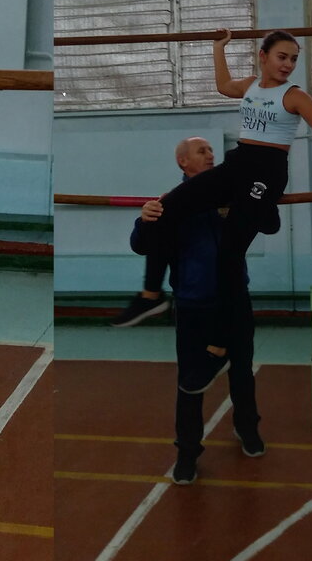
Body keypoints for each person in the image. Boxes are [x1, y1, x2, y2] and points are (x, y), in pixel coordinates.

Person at [118, 30, 312, 393]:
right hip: (237, 164)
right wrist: (218, 48)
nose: (288, 64)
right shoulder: (250, 86)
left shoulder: (294, 96)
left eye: (293, 59)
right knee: (168, 206)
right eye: (282, 56)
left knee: (229, 255)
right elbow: (223, 86)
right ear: (263, 56)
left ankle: (218, 348)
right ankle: (150, 296)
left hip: (266, 172)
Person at [129, 136, 264, 485]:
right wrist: (144, 221)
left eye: (211, 151)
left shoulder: (232, 194)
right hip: (194, 306)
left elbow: (263, 218)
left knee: (242, 370)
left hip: (235, 301)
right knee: (190, 381)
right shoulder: (170, 202)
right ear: (183, 162)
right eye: (201, 151)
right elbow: (142, 246)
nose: (210, 155)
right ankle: (187, 453)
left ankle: (247, 428)